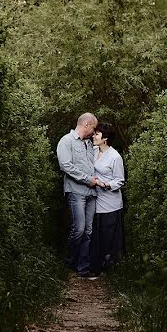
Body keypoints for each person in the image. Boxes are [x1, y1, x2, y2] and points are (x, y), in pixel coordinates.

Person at [56, 112, 100, 278]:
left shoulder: (89, 144)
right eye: (94, 128)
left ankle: (83, 268)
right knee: (79, 229)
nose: (94, 132)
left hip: (92, 193)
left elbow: (93, 165)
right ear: (86, 124)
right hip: (76, 192)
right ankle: (70, 262)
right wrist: (88, 179)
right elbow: (66, 166)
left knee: (88, 231)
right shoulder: (66, 141)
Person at [89, 123, 125, 275]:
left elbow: (120, 180)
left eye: (97, 134)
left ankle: (111, 269)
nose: (93, 136)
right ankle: (96, 267)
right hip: (95, 200)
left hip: (110, 203)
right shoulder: (93, 150)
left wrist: (104, 184)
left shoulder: (115, 157)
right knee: (95, 235)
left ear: (105, 138)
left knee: (108, 236)